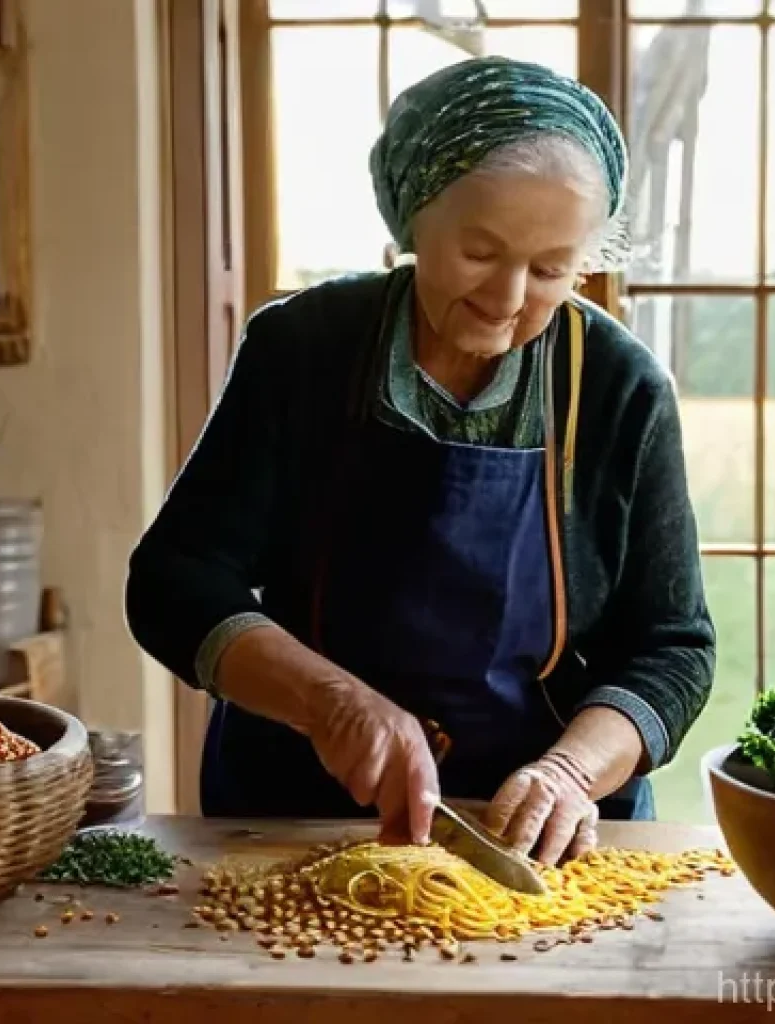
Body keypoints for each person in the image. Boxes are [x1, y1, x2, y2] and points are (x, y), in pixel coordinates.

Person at [125, 56, 715, 866]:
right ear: (412, 220)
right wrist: (330, 703)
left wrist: (571, 773)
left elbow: (673, 647)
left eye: (550, 270)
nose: (509, 298)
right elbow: (176, 580)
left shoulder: (620, 388)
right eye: (479, 252)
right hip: (298, 816)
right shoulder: (303, 348)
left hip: (537, 843)